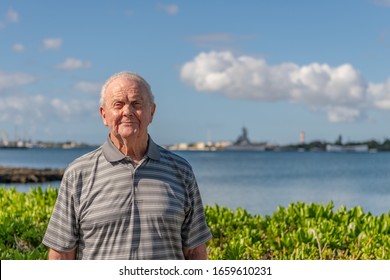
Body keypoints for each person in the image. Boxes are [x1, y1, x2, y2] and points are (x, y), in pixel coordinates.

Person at [42, 71, 212, 260]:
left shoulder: (181, 171)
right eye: (118, 104)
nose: (127, 112)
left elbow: (195, 251)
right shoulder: (78, 173)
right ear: (104, 115)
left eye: (136, 104)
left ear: (152, 112)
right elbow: (62, 255)